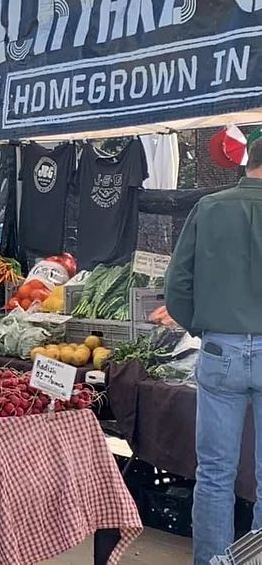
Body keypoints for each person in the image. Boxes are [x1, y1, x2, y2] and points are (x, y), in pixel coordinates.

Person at [165, 139, 262, 565]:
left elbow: (177, 286)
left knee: (216, 474)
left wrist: (199, 328)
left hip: (220, 346)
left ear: (248, 163)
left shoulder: (209, 207)